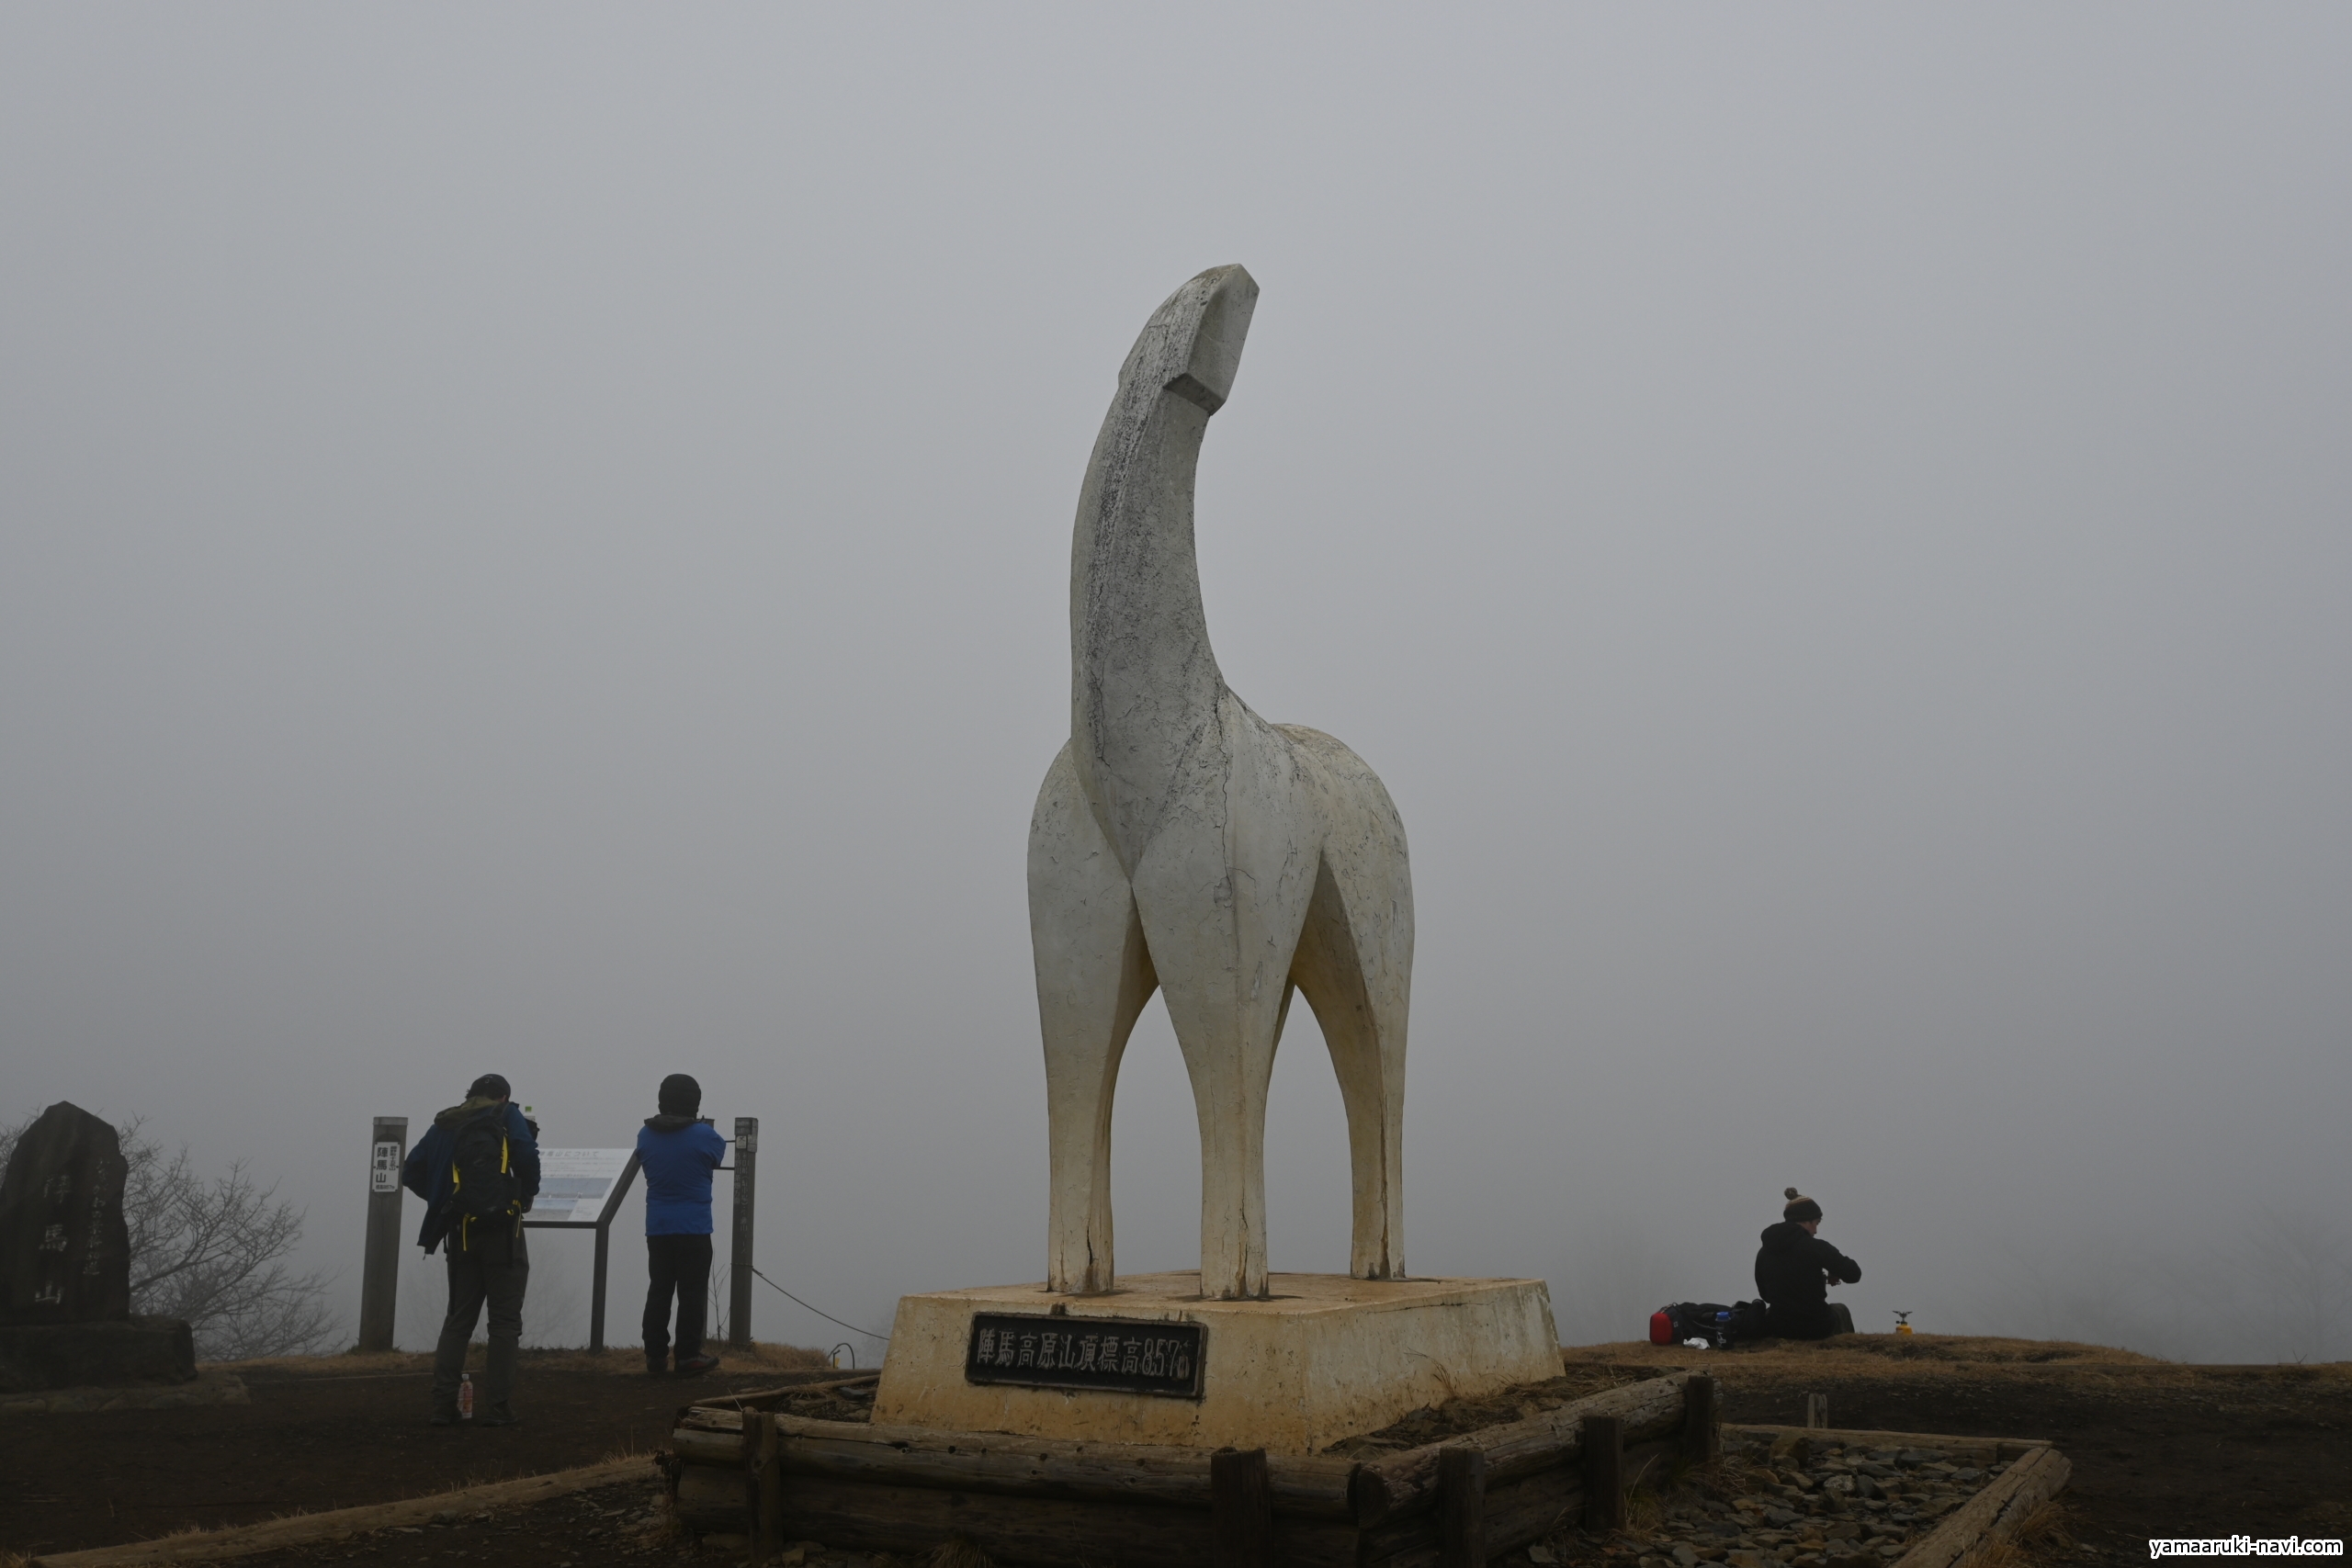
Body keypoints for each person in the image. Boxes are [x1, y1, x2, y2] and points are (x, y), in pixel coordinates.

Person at [401, 1072, 540, 1427]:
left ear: (470, 1095)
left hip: (461, 1232)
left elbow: (412, 1170)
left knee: (459, 1319)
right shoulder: (506, 1115)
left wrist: (445, 1200)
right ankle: (498, 1407)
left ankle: (442, 1405)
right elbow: (525, 1151)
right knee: (504, 1322)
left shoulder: (447, 1123)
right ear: (504, 1097)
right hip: (504, 1233)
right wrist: (524, 1195)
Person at [638, 1073, 728, 1377]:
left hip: (658, 1227)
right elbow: (715, 1157)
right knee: (691, 1293)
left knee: (659, 1289)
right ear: (694, 1103)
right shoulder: (706, 1137)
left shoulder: (645, 1135)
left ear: (662, 1100)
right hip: (694, 1228)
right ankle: (688, 1355)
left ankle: (655, 1355)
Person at [1755, 1186, 1860, 1340]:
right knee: (1840, 1309)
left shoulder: (1764, 1251)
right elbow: (1854, 1274)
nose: (1816, 1230)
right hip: (1816, 1327)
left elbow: (1765, 1294)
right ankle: (1846, 1351)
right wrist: (1834, 1269)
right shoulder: (1816, 1247)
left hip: (1779, 1327)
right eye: (1816, 1223)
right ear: (1806, 1220)